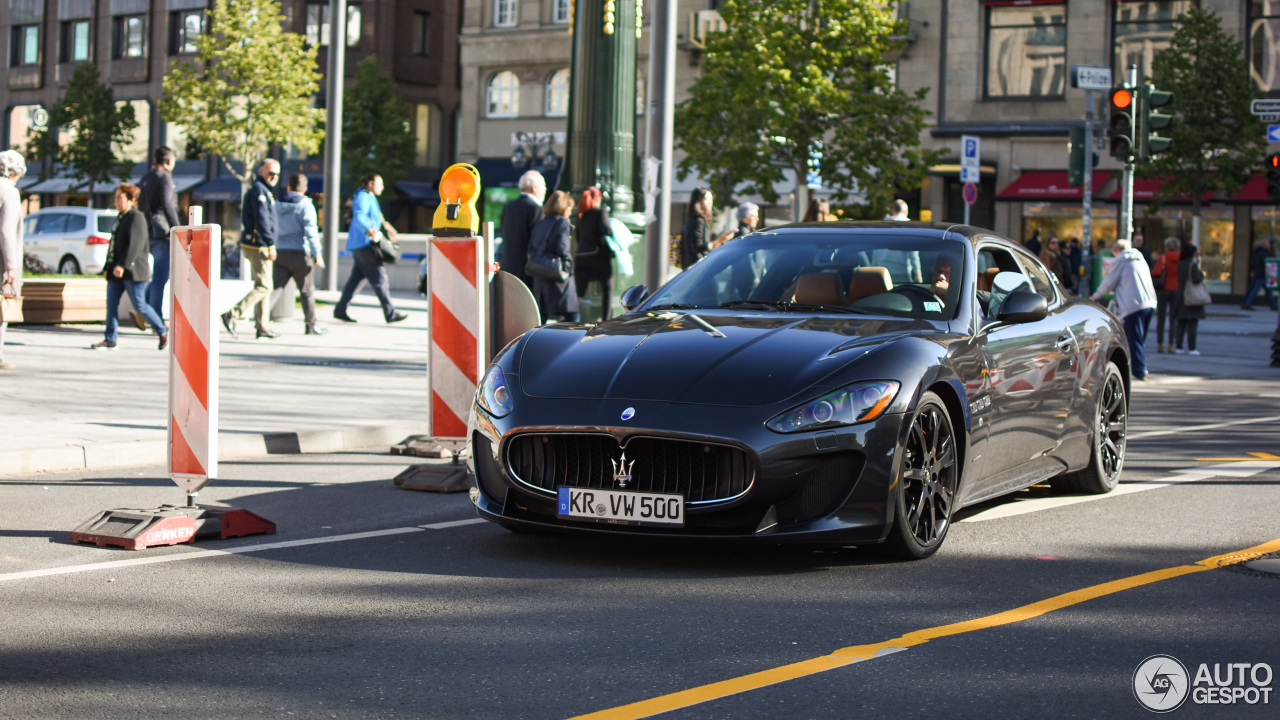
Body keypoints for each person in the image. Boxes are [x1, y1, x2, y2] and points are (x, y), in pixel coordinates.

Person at [91, 183, 168, 350]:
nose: (116, 201)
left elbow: (135, 245)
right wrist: (107, 266)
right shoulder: (120, 217)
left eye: (120, 197)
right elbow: (113, 244)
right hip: (116, 271)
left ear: (132, 200)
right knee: (111, 305)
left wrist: (122, 265)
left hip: (133, 272)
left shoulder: (137, 217)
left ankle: (162, 330)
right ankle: (110, 339)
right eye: (115, 197)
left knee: (140, 305)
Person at [334, 173, 408, 324]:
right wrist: (369, 229)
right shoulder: (363, 197)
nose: (382, 186)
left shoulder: (368, 196)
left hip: (361, 244)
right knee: (380, 278)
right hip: (365, 244)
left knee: (356, 279)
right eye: (379, 183)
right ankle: (390, 313)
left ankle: (340, 310)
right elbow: (360, 216)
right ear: (370, 184)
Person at [222, 159, 282, 340]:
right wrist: (270, 244)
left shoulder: (263, 190)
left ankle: (262, 326)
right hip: (259, 245)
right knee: (265, 286)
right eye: (271, 173)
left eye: (277, 174)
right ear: (261, 170)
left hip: (258, 244)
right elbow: (262, 220)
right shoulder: (259, 190)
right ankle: (232, 314)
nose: (274, 177)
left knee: (263, 286)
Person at [1090, 238, 1157, 380]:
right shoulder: (1140, 259)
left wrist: (1095, 296)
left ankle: (1139, 370)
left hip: (1133, 305)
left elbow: (1109, 282)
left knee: (1134, 339)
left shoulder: (1121, 261)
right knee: (1140, 338)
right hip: (1149, 302)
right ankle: (1141, 367)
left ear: (1117, 251)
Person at [270, 173, 326, 335]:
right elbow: (311, 232)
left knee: (275, 289)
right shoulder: (306, 205)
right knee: (307, 291)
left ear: (288, 187)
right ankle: (310, 326)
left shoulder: (277, 204)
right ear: (305, 189)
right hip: (300, 253)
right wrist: (318, 254)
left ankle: (261, 323)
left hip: (280, 252)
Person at [138, 146, 180, 322]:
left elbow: (141, 205)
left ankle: (141, 309)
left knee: (157, 277)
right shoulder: (164, 178)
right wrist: (176, 229)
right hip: (162, 233)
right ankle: (155, 318)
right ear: (169, 161)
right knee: (160, 278)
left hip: (147, 231)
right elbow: (168, 205)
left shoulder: (145, 178)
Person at [529, 190, 579, 324]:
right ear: (563, 207)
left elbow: (532, 248)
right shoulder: (562, 222)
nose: (570, 212)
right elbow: (563, 248)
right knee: (572, 319)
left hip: (540, 277)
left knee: (542, 321)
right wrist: (569, 267)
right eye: (569, 208)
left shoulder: (540, 223)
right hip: (558, 279)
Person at [572, 186, 615, 320]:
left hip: (581, 256)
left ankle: (572, 318)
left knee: (579, 293)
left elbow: (578, 237)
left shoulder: (581, 215)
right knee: (607, 290)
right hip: (598, 257)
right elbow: (606, 230)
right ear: (598, 199)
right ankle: (605, 321)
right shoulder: (600, 212)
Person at [499, 170, 546, 290]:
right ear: (534, 188)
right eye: (543, 186)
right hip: (529, 271)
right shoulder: (536, 209)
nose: (545, 190)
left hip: (508, 267)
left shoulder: (508, 207)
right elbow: (538, 242)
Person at [0, 150, 26, 370]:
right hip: (2, 262)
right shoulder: (9, 192)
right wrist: (11, 265)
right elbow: (7, 231)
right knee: (2, 309)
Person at [679, 188, 731, 269]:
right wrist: (718, 240)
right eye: (707, 199)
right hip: (697, 267)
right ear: (698, 202)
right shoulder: (699, 221)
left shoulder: (690, 220)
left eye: (711, 199)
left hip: (689, 267)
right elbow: (698, 247)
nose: (711, 202)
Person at [1150, 237, 1182, 353]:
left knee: (1161, 318)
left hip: (1163, 289)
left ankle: (1160, 344)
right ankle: (1171, 345)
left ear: (1167, 246)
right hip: (1175, 289)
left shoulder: (1163, 258)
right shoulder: (1180, 258)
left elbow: (1157, 272)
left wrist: (1151, 271)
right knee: (1173, 319)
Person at [1173, 243, 1207, 355]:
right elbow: (1196, 279)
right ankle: (1192, 348)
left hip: (1180, 294)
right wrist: (1201, 273)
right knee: (1192, 323)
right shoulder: (1192, 264)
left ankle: (1178, 346)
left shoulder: (1180, 264)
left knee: (1181, 323)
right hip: (1191, 296)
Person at [1241, 239, 1277, 311]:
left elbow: (1253, 264)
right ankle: (1247, 304)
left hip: (1258, 274)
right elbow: (1267, 262)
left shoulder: (1257, 252)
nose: (1269, 245)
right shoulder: (1263, 253)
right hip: (1262, 274)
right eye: (1268, 243)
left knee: (1264, 290)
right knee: (1256, 290)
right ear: (1264, 245)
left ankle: (1273, 305)